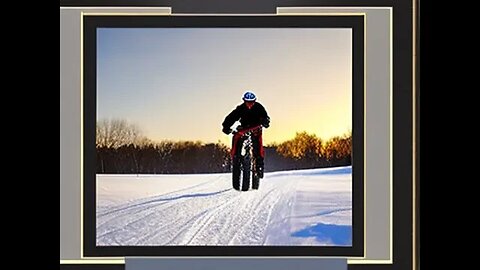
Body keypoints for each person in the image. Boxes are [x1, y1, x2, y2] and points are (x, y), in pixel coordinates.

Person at [222, 91, 270, 178]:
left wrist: (265, 121)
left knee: (258, 145)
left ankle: (259, 164)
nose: (249, 104)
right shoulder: (240, 108)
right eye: (247, 102)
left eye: (251, 102)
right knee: (236, 138)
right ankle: (235, 158)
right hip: (244, 128)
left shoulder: (259, 107)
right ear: (244, 101)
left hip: (256, 128)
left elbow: (265, 117)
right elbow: (231, 117)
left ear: (254, 101)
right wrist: (226, 126)